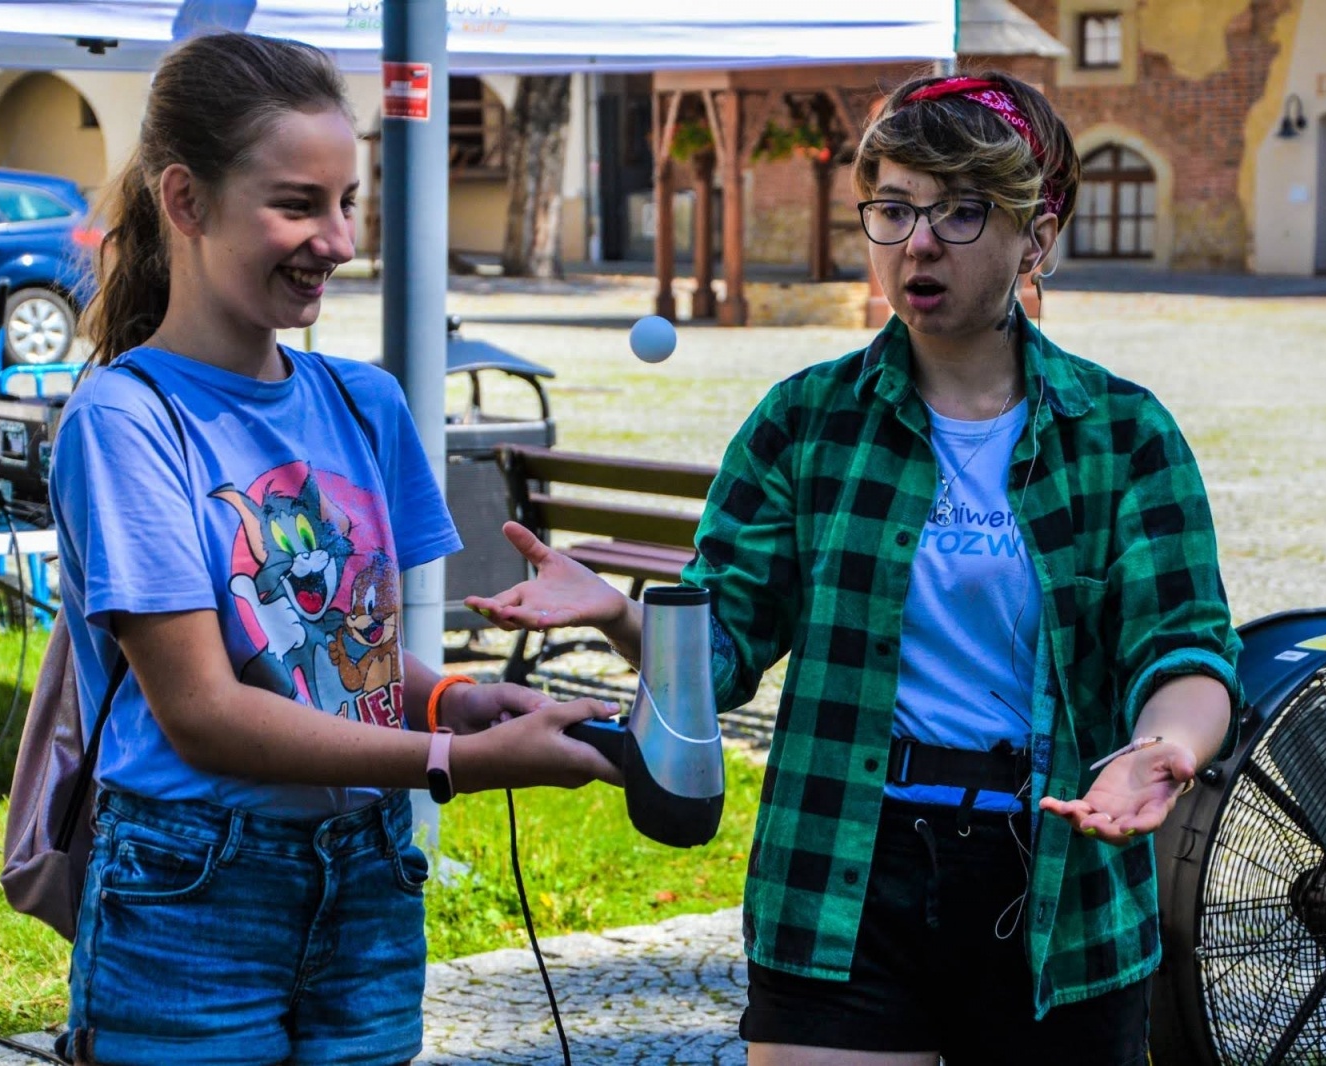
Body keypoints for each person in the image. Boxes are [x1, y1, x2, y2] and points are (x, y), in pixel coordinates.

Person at [467, 70, 1243, 1065]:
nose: (918, 242)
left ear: (1034, 239)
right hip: (843, 867)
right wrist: (622, 615)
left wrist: (1160, 749)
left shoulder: (1122, 435)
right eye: (893, 209)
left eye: (962, 212)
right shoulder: (804, 422)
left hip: (1061, 882)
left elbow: (1181, 644)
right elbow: (731, 639)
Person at [48, 32, 620, 1066]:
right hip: (191, 891)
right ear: (185, 200)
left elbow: (329, 666)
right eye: (298, 204)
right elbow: (207, 715)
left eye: (347, 200)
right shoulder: (125, 419)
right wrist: (460, 760)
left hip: (368, 877)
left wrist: (452, 700)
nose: (340, 240)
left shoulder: (366, 403)